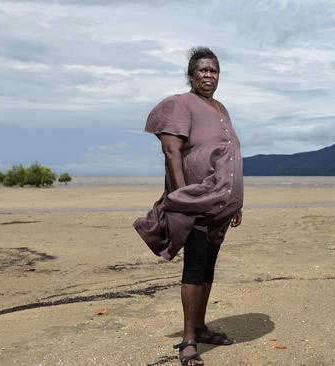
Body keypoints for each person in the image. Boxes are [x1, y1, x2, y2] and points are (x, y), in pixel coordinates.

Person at [133, 47, 243, 366]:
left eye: (214, 71)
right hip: (194, 200)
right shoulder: (179, 104)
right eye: (203, 71)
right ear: (191, 75)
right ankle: (188, 341)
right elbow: (171, 153)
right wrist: (183, 197)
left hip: (220, 204)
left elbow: (227, 156)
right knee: (194, 267)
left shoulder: (221, 108)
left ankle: (201, 326)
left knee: (208, 266)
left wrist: (234, 202)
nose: (209, 76)